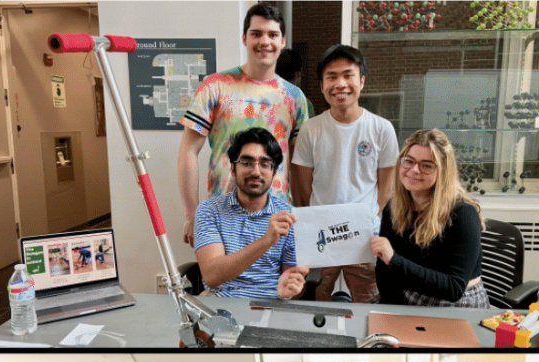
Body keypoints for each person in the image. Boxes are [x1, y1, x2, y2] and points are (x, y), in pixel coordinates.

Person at [178, 2, 310, 249]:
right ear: (244, 38)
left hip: (276, 217)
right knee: (223, 283)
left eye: (272, 35)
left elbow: (297, 164)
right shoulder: (215, 86)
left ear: (282, 41)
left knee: (275, 286)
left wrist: (303, 213)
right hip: (222, 216)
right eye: (256, 34)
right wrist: (191, 213)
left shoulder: (294, 98)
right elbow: (188, 151)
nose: (265, 41)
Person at [291, 44, 400, 303]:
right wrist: (313, 220)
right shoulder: (311, 129)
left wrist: (366, 220)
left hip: (364, 237)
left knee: (368, 302)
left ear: (361, 81)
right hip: (320, 235)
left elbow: (386, 188)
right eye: (331, 77)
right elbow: (303, 186)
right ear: (321, 86)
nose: (340, 84)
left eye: (348, 75)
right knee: (314, 300)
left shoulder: (382, 129)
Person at [369, 129, 489, 308]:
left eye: (426, 165)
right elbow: (385, 271)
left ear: (442, 171)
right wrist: (390, 311)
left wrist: (393, 259)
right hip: (408, 293)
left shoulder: (463, 213)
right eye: (408, 161)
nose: (414, 170)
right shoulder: (394, 206)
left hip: (456, 303)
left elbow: (453, 289)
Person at [193, 128, 309, 300]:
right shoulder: (209, 210)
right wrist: (265, 241)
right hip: (219, 301)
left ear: (273, 172)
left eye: (264, 164)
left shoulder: (290, 217)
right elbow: (212, 277)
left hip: (272, 302)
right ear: (233, 169)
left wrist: (291, 291)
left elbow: (293, 285)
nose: (256, 172)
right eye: (247, 163)